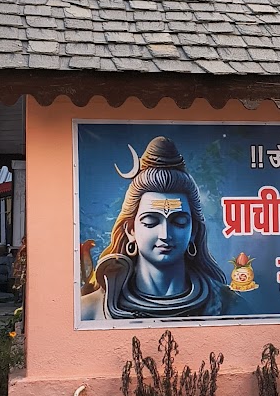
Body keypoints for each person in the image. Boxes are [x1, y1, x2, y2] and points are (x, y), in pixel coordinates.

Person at [81, 136, 229, 320]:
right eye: (150, 222)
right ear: (130, 230)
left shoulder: (228, 305)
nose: (165, 235)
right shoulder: (90, 311)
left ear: (194, 231)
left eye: (179, 222)